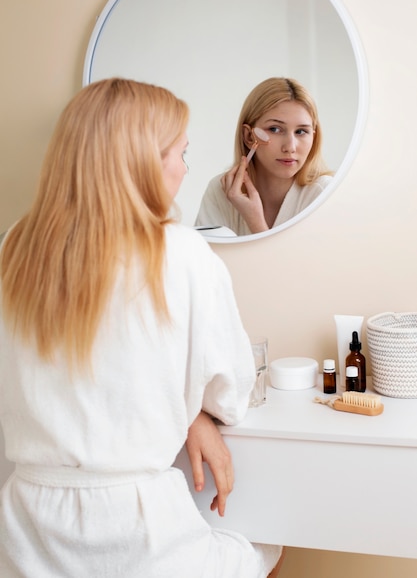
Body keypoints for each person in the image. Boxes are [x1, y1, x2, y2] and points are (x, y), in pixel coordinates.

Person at [0, 78, 284, 577]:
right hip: (135, 536)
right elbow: (233, 395)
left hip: (24, 529)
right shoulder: (182, 252)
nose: (183, 170)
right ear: (143, 162)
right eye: (180, 154)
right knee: (270, 545)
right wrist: (195, 413)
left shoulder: (13, 248)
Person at [195, 77, 333, 236]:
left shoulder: (324, 194)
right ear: (248, 136)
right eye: (275, 129)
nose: (290, 147)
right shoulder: (220, 191)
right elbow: (204, 259)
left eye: (301, 132)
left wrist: (256, 223)